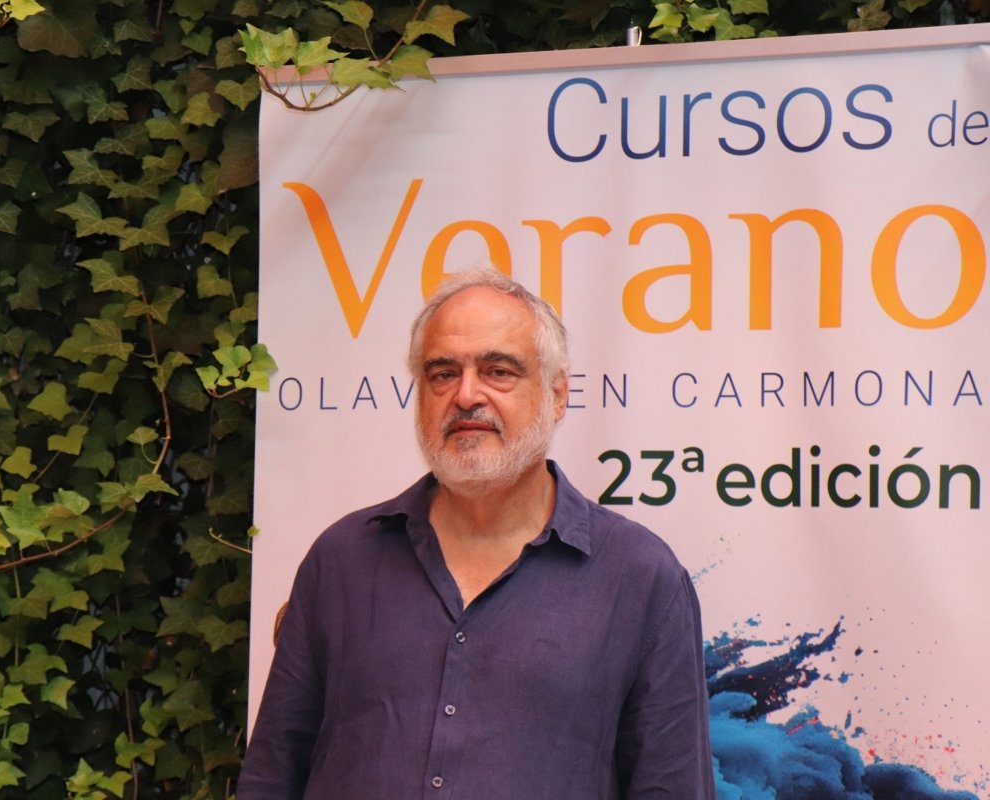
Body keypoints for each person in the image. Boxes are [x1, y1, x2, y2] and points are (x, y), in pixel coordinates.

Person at [238, 267, 716, 800]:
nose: (467, 395)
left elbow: (672, 787)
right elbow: (273, 774)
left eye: (498, 371)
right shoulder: (341, 560)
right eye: (443, 373)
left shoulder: (641, 577)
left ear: (557, 395)